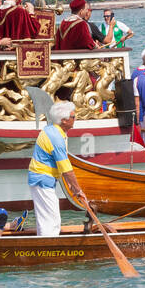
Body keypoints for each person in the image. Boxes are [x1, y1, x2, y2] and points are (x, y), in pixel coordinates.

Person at [27, 101, 88, 237]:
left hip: (40, 178)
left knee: (45, 218)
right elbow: (67, 170)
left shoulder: (51, 129)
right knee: (52, 220)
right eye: (73, 117)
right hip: (42, 179)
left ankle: (43, 243)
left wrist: (73, 188)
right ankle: (48, 248)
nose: (75, 119)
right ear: (64, 120)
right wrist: (78, 190)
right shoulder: (56, 137)